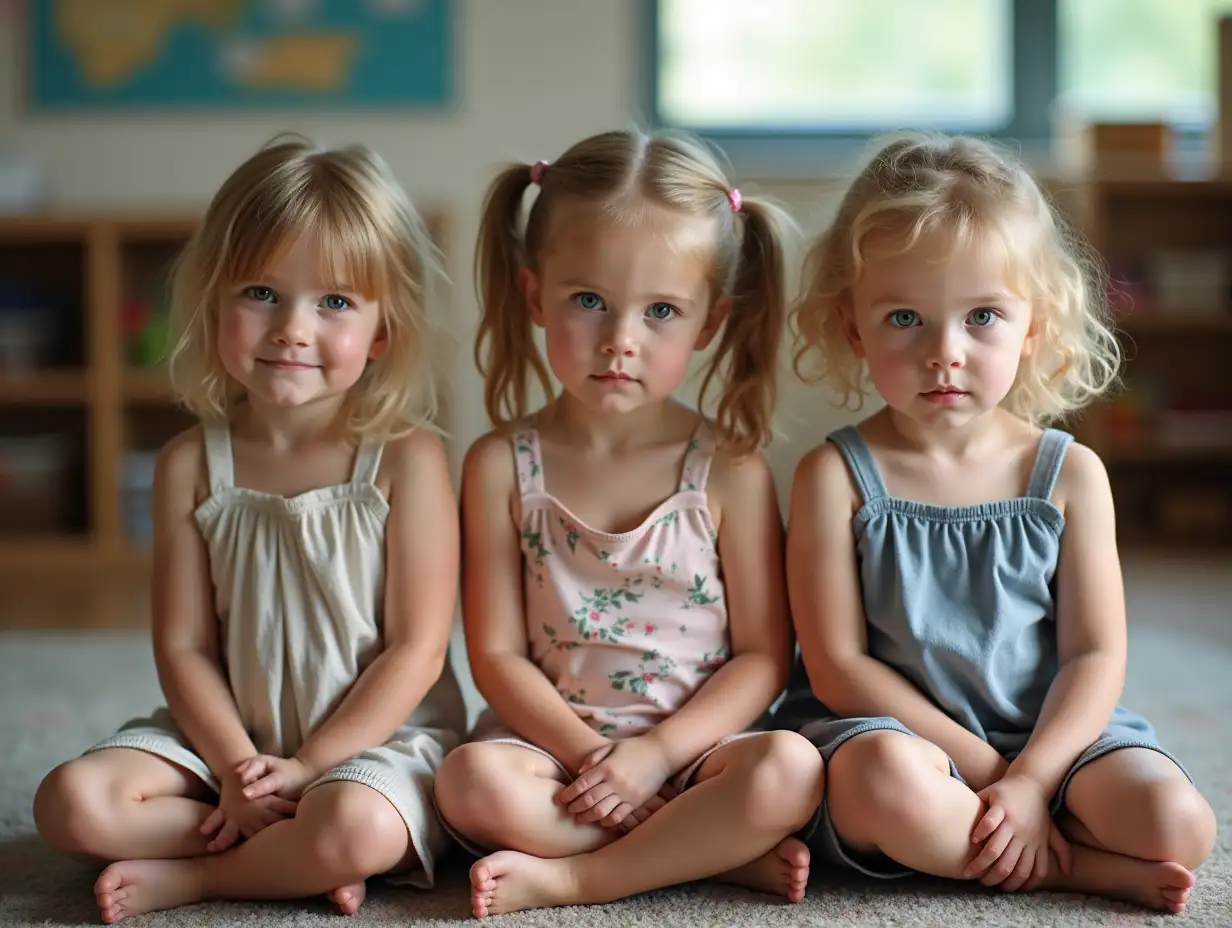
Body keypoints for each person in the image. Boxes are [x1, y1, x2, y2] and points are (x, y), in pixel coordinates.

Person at [775, 132, 1217, 914]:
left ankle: (1024, 830)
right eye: (905, 317)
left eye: (982, 316)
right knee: (889, 790)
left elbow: (1094, 653)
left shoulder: (1069, 473)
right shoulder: (833, 476)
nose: (944, 352)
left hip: (1049, 732)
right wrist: (991, 778)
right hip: (895, 740)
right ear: (853, 327)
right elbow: (840, 668)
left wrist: (1036, 776)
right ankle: (1067, 867)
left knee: (1178, 825)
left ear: (1035, 327)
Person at [32, 135, 467, 923]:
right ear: (213, 303)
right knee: (70, 804)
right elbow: (183, 647)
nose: (292, 328)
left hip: (375, 746)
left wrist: (310, 766)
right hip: (225, 741)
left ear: (382, 332)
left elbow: (417, 650)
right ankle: (282, 855)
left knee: (355, 824)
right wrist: (237, 767)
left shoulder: (408, 459)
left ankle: (207, 875)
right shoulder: (189, 462)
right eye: (261, 292)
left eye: (334, 302)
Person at [433, 129, 823, 918]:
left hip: (699, 750)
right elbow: (497, 655)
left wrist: (656, 757)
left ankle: (585, 876)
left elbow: (761, 658)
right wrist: (594, 761)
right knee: (467, 784)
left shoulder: (731, 469)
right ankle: (696, 851)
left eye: (661, 312)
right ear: (534, 295)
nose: (620, 340)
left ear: (709, 323)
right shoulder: (500, 464)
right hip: (555, 754)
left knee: (791, 769)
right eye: (589, 302)